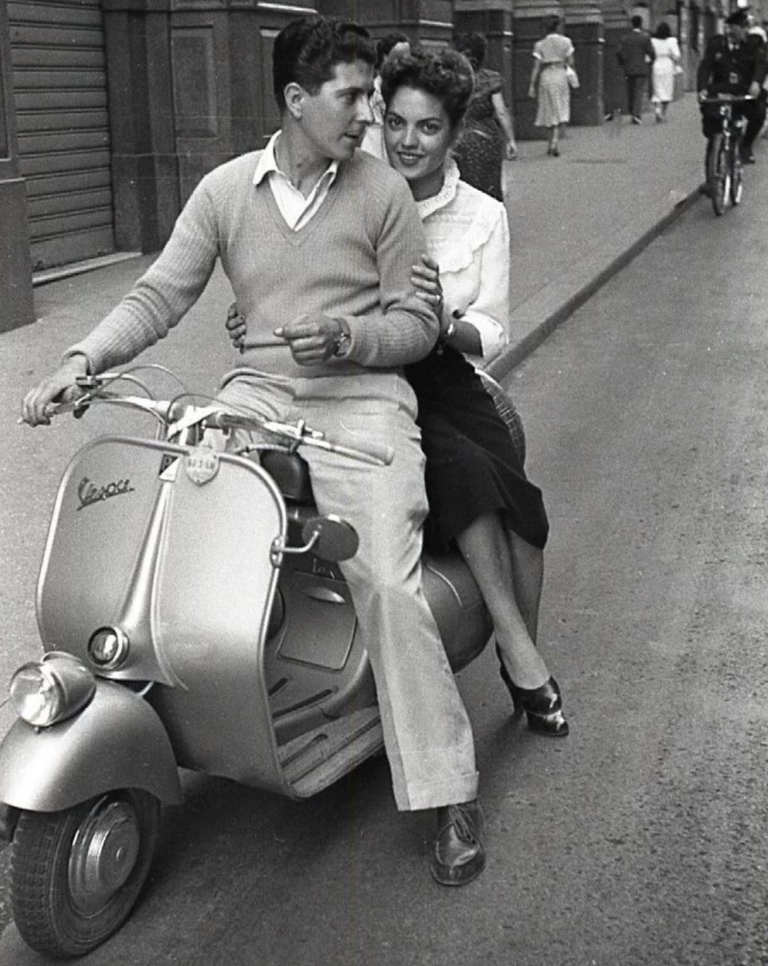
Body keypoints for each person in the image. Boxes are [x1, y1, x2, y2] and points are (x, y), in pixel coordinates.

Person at [20, 16, 487, 888]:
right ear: (296, 100)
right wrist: (83, 358)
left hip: (363, 404)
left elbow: (419, 324)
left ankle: (446, 788)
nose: (366, 116)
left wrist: (349, 338)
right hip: (259, 395)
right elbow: (162, 290)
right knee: (168, 510)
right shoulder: (228, 190)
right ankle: (155, 702)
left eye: (370, 99)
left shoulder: (382, 193)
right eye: (351, 97)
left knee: (385, 577)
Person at [228, 46, 568, 739]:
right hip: (370, 379)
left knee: (527, 514)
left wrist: (442, 320)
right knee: (467, 477)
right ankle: (520, 650)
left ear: (455, 134)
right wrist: (252, 311)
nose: (410, 142)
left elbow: (494, 328)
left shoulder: (479, 215)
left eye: (430, 128)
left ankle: (513, 650)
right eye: (400, 124)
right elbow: (281, 265)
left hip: (447, 371)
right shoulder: (348, 184)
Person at [451, 31, 517, 201]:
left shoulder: (451, 79)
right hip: (488, 138)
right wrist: (510, 140)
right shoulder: (491, 78)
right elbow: (501, 112)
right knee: (489, 184)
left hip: (458, 138)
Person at [697, 9, 766, 168]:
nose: (744, 32)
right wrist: (702, 88)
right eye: (741, 28)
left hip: (744, 92)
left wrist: (756, 82)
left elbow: (760, 64)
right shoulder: (716, 44)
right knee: (713, 129)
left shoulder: (753, 43)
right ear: (732, 29)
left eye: (745, 28)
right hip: (720, 91)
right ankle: (712, 175)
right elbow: (705, 67)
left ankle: (746, 146)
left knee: (759, 113)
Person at [528, 16, 575, 156]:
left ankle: (551, 142)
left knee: (549, 108)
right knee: (559, 107)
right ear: (558, 27)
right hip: (560, 75)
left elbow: (536, 66)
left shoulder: (540, 45)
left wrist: (531, 85)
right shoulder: (566, 42)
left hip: (546, 76)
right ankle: (554, 142)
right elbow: (571, 61)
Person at [359, 30, 410, 159]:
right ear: (384, 58)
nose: (404, 64)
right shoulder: (369, 90)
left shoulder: (409, 92)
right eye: (398, 58)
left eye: (408, 58)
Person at [617, 15, 655, 124]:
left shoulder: (625, 38)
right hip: (641, 68)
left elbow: (619, 52)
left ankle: (631, 111)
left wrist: (623, 62)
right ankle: (636, 114)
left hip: (628, 68)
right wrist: (650, 61)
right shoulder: (645, 38)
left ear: (632, 24)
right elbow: (651, 52)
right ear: (641, 24)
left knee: (630, 91)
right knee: (638, 91)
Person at [650, 22, 682, 122]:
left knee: (657, 89)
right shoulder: (672, 41)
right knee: (667, 90)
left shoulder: (653, 41)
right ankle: (663, 113)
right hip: (668, 65)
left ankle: (657, 108)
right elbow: (677, 55)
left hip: (656, 64)